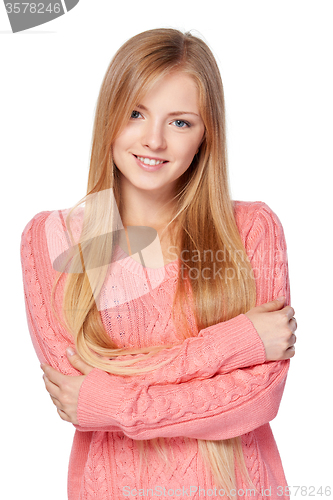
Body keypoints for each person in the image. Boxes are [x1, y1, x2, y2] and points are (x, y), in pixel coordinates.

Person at [20, 28, 297, 500]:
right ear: (110, 116)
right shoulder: (50, 240)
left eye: (180, 122)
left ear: (206, 135)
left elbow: (258, 396)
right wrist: (237, 341)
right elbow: (75, 388)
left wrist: (112, 401)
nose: (154, 140)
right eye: (135, 113)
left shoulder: (251, 230)